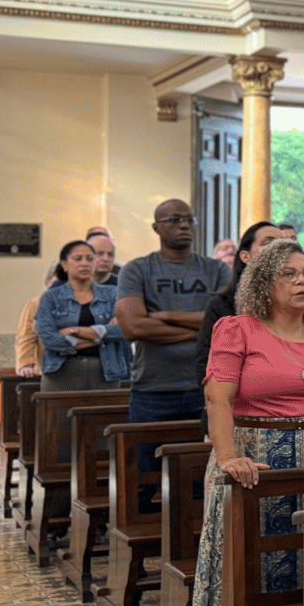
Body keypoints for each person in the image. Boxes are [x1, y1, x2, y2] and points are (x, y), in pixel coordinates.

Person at [186, 240, 304, 606]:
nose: (302, 281)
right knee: (255, 568)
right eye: (289, 274)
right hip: (256, 460)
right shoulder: (238, 329)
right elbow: (218, 399)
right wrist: (229, 459)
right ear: (263, 283)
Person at [116, 200, 231, 503]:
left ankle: (197, 543)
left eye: (190, 220)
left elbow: (227, 324)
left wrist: (164, 315)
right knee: (143, 481)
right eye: (175, 219)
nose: (184, 225)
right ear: (156, 227)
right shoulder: (138, 269)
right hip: (153, 390)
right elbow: (132, 327)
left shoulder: (216, 269)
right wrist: (204, 331)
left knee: (202, 480)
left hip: (205, 388)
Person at [194, 220, 284, 387]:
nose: (279, 248)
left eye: (284, 244)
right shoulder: (222, 304)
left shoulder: (299, 303)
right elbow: (206, 368)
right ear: (245, 256)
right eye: (268, 243)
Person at [36, 240, 130, 392]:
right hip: (61, 372)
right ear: (64, 264)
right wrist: (102, 336)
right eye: (78, 259)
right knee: (60, 416)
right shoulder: (50, 298)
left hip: (105, 371)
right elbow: (49, 339)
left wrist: (75, 331)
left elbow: (124, 330)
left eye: (90, 259)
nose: (85, 263)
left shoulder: (113, 294)